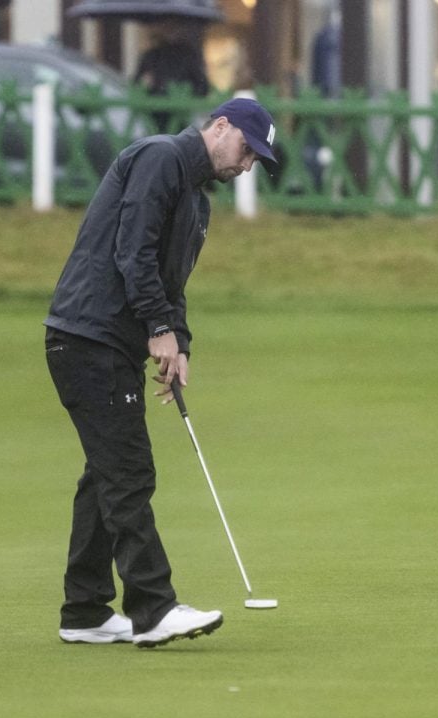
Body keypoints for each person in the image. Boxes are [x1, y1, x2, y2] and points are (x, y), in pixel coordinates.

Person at [43, 98, 277, 648]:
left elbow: (171, 285)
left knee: (105, 475)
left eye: (255, 162)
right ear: (220, 127)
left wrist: (180, 343)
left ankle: (85, 611)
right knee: (129, 472)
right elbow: (133, 250)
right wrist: (157, 330)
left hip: (108, 346)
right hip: (86, 337)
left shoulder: (196, 203)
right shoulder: (161, 158)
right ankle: (153, 608)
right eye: (246, 150)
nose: (246, 167)